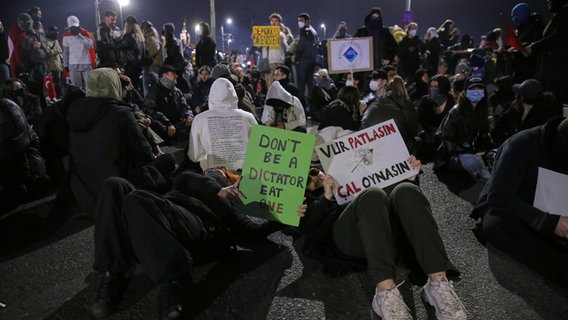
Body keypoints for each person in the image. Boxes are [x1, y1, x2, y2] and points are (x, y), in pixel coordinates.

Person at [90, 170, 282, 319]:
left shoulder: (229, 203)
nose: (214, 172)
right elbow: (186, 178)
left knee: (138, 199)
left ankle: (175, 283)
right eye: (212, 172)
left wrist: (282, 218)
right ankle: (113, 272)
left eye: (221, 173)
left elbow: (252, 232)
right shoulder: (184, 182)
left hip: (195, 224)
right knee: (114, 184)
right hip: (163, 214)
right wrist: (217, 190)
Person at [299, 162, 467, 320]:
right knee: (372, 194)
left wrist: (408, 175)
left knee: (407, 189)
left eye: (316, 172)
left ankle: (437, 283)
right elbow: (306, 227)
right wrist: (325, 198)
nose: (316, 176)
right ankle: (385, 291)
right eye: (311, 177)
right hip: (348, 233)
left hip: (385, 225)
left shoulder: (340, 165)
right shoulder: (307, 189)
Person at [472, 116, 568, 287]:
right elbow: (499, 196)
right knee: (498, 225)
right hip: (512, 207)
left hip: (552, 205)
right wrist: (551, 223)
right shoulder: (521, 144)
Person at [66, 67, 155, 214]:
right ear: (114, 85)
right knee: (166, 163)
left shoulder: (75, 111)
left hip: (83, 194)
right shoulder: (121, 114)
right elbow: (144, 154)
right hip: (116, 193)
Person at [188, 77, 258, 172]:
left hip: (215, 176)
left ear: (211, 95)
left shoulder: (200, 119)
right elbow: (258, 149)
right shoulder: (248, 117)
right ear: (233, 95)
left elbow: (195, 156)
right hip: (246, 175)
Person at [435, 76, 493, 179]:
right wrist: (469, 151)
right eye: (472, 89)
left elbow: (484, 135)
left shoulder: (483, 110)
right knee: (473, 162)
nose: (476, 92)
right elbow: (447, 139)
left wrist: (485, 149)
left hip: (472, 151)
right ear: (465, 92)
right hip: (452, 154)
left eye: (479, 88)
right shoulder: (456, 111)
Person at [525, 0, 568, 108]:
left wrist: (533, 46)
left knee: (554, 107)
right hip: (553, 74)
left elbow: (558, 36)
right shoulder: (558, 15)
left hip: (558, 74)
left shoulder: (565, 13)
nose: (548, 1)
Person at [362, 75, 419, 154]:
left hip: (371, 145)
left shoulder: (376, 102)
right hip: (396, 147)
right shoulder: (406, 104)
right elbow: (413, 131)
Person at [143, 64, 193, 144]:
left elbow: (185, 106)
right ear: (165, 75)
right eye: (173, 73)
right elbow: (150, 111)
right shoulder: (154, 91)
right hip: (163, 133)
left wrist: (188, 115)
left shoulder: (176, 91)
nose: (176, 76)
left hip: (178, 131)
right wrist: (167, 124)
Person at [416, 74, 454, 161]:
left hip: (445, 138)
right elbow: (418, 121)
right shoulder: (425, 101)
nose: (433, 89)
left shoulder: (451, 102)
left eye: (436, 87)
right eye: (431, 86)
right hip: (427, 137)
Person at [62, 16, 94, 89]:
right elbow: (65, 52)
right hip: (73, 65)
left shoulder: (85, 33)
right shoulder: (66, 36)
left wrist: (80, 36)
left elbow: (90, 46)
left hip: (86, 64)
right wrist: (65, 64)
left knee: (90, 87)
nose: (73, 29)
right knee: (76, 88)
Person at [293, 12, 319, 100]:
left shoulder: (304, 31)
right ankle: (312, 104)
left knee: (301, 86)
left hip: (303, 61)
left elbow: (301, 46)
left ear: (307, 21)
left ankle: (302, 105)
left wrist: (296, 59)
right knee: (310, 84)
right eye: (298, 20)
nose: (299, 22)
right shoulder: (313, 31)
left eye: (301, 20)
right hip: (312, 61)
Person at [259, 13, 289, 87]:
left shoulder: (281, 34)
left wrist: (282, 42)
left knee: (280, 86)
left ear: (279, 23)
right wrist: (255, 38)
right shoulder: (265, 34)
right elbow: (260, 46)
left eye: (276, 21)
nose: (274, 23)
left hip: (279, 62)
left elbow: (287, 49)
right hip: (269, 63)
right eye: (272, 21)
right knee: (270, 86)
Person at [116, 16, 145, 90]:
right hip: (138, 66)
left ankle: (132, 101)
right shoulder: (140, 37)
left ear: (128, 25)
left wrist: (116, 38)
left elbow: (118, 46)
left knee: (129, 87)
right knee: (135, 86)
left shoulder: (129, 36)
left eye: (125, 24)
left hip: (130, 65)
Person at [140, 20, 163, 97]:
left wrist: (146, 59)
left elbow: (154, 50)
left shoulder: (150, 37)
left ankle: (150, 105)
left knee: (149, 88)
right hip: (154, 65)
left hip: (152, 65)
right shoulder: (153, 36)